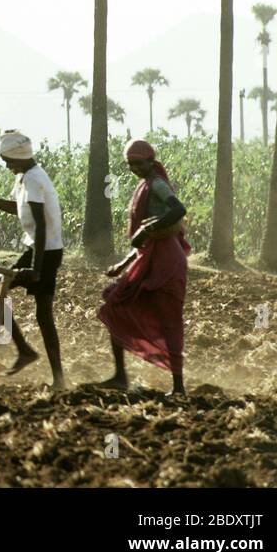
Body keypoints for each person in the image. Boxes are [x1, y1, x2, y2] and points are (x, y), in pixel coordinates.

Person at [0, 130, 65, 389]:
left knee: (41, 313)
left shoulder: (33, 179)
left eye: (7, 160)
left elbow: (41, 225)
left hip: (46, 250)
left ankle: (51, 373)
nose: (6, 165)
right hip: (38, 248)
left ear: (17, 158)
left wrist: (36, 268)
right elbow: (15, 208)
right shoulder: (24, 177)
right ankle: (27, 353)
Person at [96, 139, 189, 395]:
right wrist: (124, 263)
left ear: (150, 160)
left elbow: (178, 210)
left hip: (167, 261)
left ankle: (178, 387)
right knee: (115, 307)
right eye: (130, 164)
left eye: (139, 163)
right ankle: (119, 376)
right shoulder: (144, 185)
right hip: (148, 257)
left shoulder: (157, 184)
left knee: (169, 320)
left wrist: (147, 228)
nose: (135, 168)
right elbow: (142, 241)